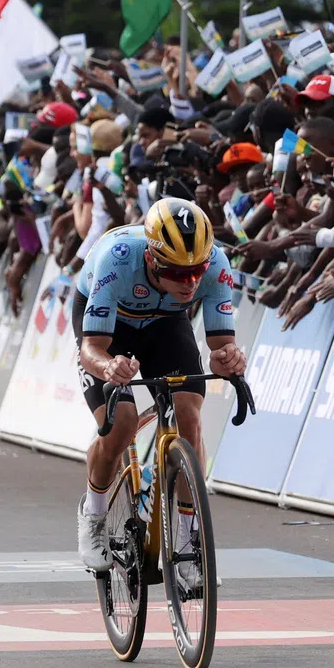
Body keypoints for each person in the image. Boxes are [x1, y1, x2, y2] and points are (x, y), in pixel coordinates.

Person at [73, 197, 247, 590]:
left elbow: (220, 346)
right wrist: (108, 367)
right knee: (121, 425)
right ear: (152, 259)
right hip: (110, 326)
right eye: (177, 273)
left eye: (196, 272)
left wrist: (229, 361)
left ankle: (187, 542)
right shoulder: (117, 259)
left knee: (190, 418)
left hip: (165, 324)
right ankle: (95, 515)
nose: (190, 283)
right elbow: (91, 349)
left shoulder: (216, 264)